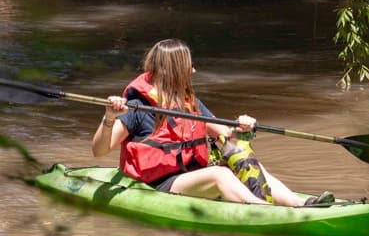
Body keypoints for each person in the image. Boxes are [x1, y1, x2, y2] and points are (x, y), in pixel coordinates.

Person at [91, 38, 321, 206]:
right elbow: (99, 150)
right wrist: (109, 117)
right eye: (188, 66)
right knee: (219, 174)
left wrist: (243, 127)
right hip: (158, 184)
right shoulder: (139, 108)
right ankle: (264, 211)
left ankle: (300, 205)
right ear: (175, 71)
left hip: (191, 176)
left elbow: (228, 135)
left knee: (239, 156)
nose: (194, 70)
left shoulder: (191, 103)